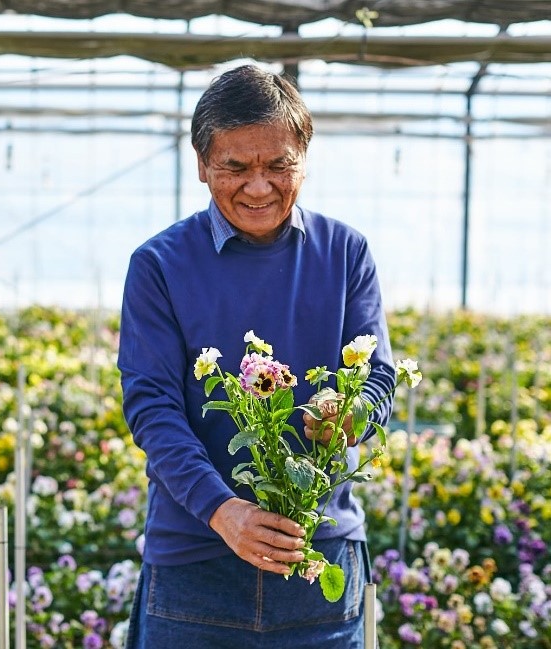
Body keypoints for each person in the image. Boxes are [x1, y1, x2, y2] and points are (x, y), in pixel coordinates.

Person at [118, 64, 395, 648]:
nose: (259, 187)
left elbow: (377, 379)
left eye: (278, 165)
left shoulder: (345, 253)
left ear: (304, 157)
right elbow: (153, 408)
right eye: (235, 167)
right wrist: (223, 511)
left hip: (316, 560)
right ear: (201, 164)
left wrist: (352, 415)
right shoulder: (160, 265)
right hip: (196, 566)